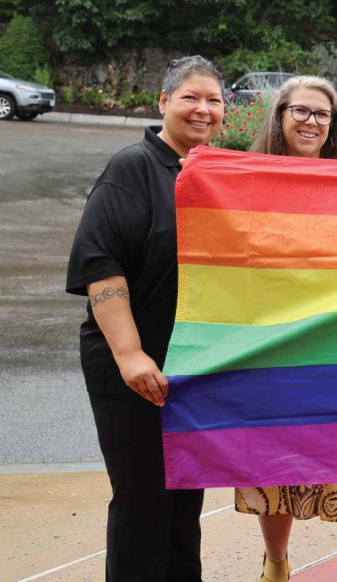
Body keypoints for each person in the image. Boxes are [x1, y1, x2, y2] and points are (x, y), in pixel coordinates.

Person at [66, 55, 226, 581]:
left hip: (192, 367)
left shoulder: (218, 174)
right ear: (163, 102)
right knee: (143, 501)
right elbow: (101, 267)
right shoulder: (132, 168)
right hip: (131, 369)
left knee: (184, 501)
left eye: (214, 100)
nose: (203, 110)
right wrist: (131, 354)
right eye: (190, 97)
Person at [241, 75, 337, 582]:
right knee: (272, 457)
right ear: (280, 116)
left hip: (335, 343)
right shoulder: (243, 176)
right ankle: (277, 564)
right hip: (268, 341)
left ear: (333, 126)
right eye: (301, 111)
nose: (311, 122)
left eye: (321, 115)